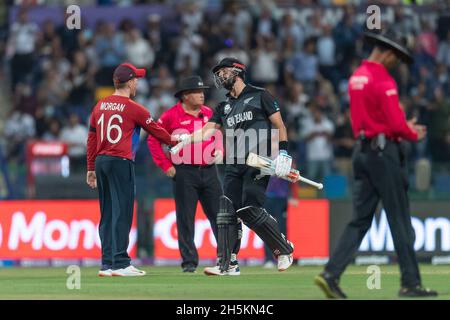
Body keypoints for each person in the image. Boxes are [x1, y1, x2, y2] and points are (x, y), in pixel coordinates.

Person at [314, 29, 438, 298]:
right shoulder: (383, 79)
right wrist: (411, 132)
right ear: (388, 53)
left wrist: (400, 127)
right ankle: (411, 283)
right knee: (400, 219)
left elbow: (372, 118)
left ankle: (331, 273)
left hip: (362, 151)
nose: (396, 64)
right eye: (397, 58)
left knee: (359, 220)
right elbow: (394, 123)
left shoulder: (357, 77)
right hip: (384, 154)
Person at [174, 57, 294, 276]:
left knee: (249, 209)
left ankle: (283, 249)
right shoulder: (223, 106)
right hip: (233, 164)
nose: (220, 77)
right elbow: (207, 131)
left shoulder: (261, 95)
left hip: (258, 161)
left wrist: (284, 153)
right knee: (227, 212)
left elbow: (279, 124)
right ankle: (227, 264)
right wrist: (185, 139)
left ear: (237, 71)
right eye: (218, 73)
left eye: (223, 72)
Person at [86, 63, 179, 277]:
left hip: (101, 161)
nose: (137, 82)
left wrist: (91, 167)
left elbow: (91, 139)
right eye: (136, 78)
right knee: (123, 211)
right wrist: (177, 140)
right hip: (120, 161)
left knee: (108, 213)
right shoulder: (134, 108)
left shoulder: (100, 106)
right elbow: (158, 132)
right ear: (128, 82)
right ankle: (120, 262)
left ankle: (107, 263)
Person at [147, 76, 223, 273]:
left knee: (219, 216)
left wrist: (219, 149)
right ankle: (189, 263)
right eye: (197, 92)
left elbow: (217, 133)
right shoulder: (170, 116)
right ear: (185, 96)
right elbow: (153, 140)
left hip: (209, 170)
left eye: (202, 92)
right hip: (184, 172)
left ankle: (226, 259)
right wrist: (165, 165)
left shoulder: (208, 113)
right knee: (185, 218)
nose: (202, 95)